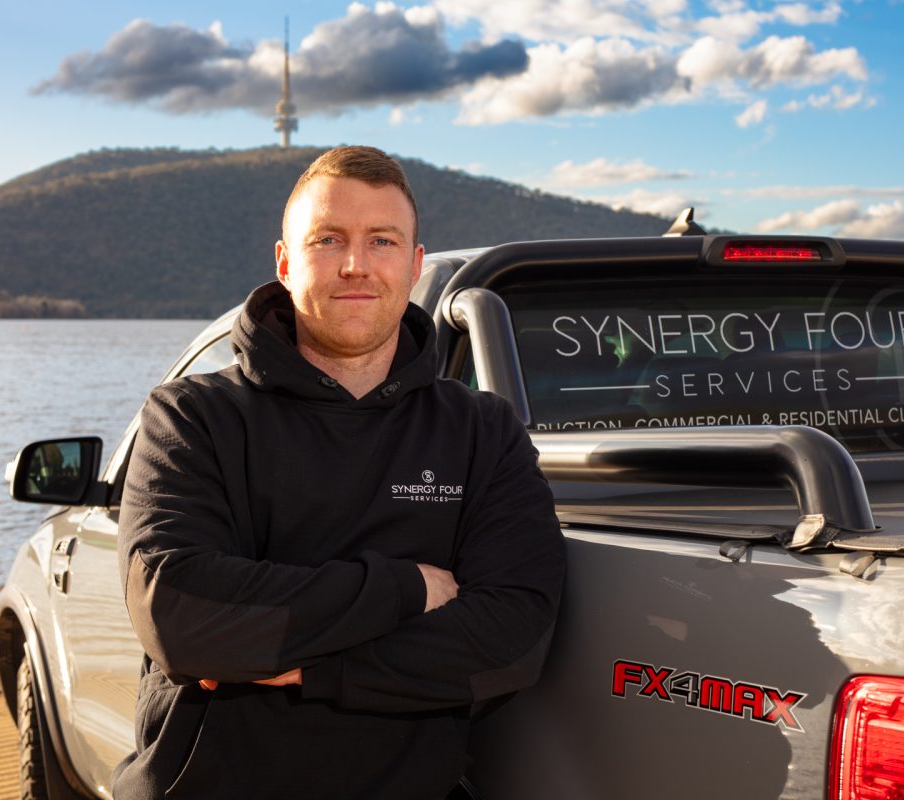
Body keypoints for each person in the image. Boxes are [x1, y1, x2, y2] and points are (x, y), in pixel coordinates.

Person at [113, 146, 565, 799]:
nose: (356, 265)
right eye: (329, 240)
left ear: (413, 265)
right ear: (285, 262)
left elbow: (513, 639)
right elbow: (179, 613)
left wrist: (295, 667)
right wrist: (408, 589)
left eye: (381, 241)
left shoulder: (480, 429)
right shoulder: (192, 415)